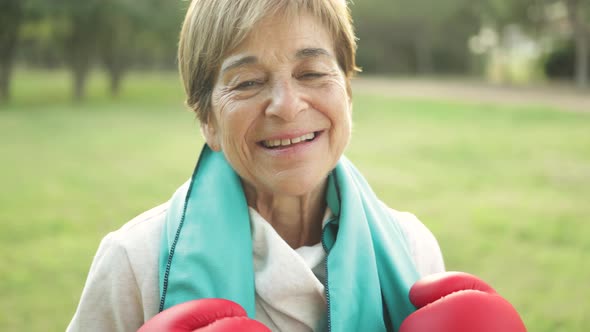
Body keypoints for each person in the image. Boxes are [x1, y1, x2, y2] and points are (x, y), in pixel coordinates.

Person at [67, 0, 526, 331]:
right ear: (207, 119)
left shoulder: (412, 249)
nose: (286, 107)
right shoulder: (137, 261)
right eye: (247, 82)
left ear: (346, 91)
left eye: (311, 73)